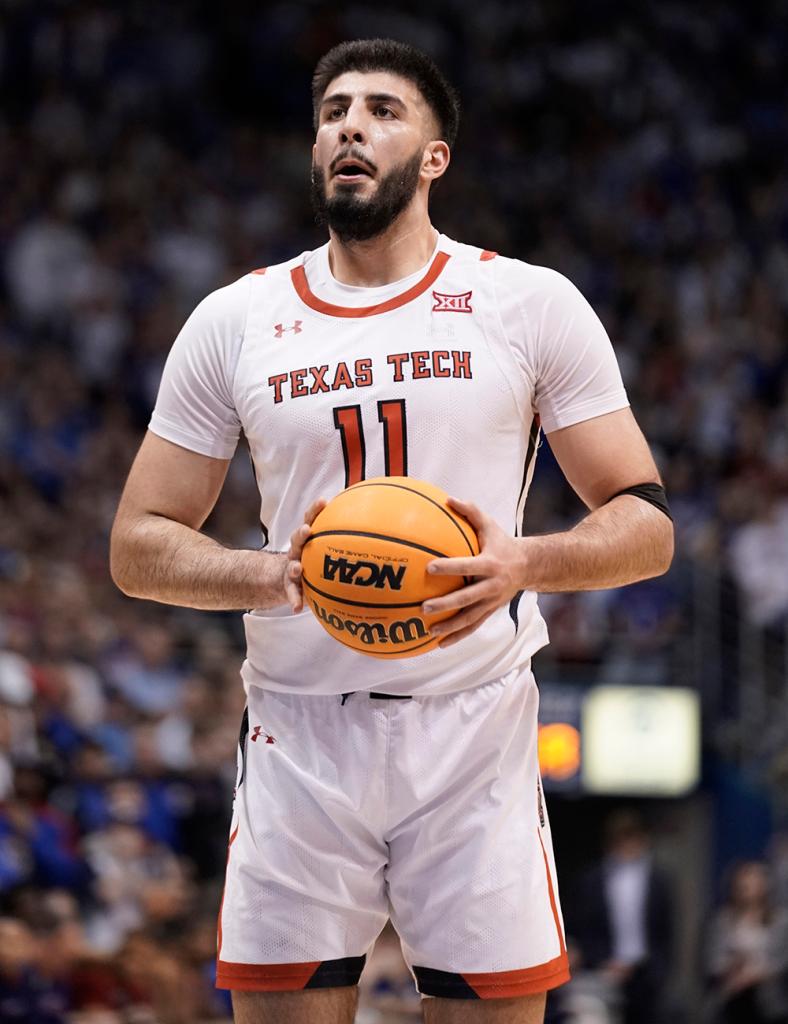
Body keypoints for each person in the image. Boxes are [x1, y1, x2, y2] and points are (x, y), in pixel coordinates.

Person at [110, 37, 674, 1024]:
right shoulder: (233, 321)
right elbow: (136, 543)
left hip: (473, 722)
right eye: (332, 112)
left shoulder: (527, 304)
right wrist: (272, 573)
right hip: (298, 726)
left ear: (433, 155)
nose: (348, 128)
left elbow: (644, 526)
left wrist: (521, 563)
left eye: (380, 109)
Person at [568, 811, 675, 1024]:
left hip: (646, 975)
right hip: (602, 972)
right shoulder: (591, 880)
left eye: (633, 838)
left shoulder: (659, 880)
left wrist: (658, 969)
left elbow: (666, 930)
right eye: (622, 839)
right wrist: (601, 960)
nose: (628, 846)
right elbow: (582, 926)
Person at [706, 860, 788, 1024]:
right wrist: (732, 966)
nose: (748, 887)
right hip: (731, 999)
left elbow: (783, 960)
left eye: (754, 881)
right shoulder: (722, 921)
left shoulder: (781, 921)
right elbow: (711, 961)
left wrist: (758, 973)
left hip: (769, 1002)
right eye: (744, 882)